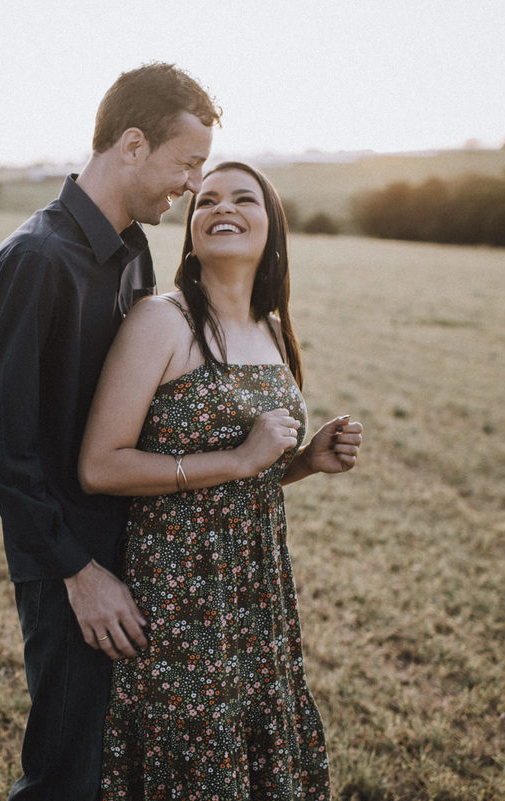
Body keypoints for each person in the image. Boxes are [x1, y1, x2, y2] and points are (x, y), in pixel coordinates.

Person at [0, 63, 221, 801]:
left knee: (120, 768)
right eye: (188, 164)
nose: (194, 185)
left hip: (130, 546)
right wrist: (79, 572)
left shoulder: (132, 248)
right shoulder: (36, 259)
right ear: (132, 144)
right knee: (65, 778)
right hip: (69, 564)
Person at [78, 162, 363, 799]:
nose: (219, 207)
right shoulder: (162, 322)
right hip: (179, 592)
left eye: (242, 198)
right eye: (205, 200)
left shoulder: (274, 331)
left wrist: (305, 462)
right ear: (191, 229)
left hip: (258, 590)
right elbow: (100, 466)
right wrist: (237, 460)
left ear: (272, 228)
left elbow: (248, 478)